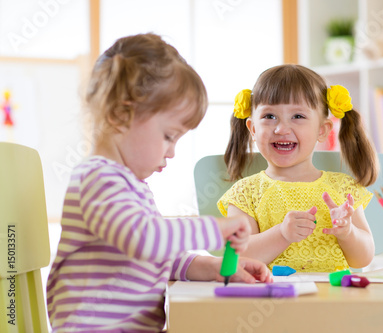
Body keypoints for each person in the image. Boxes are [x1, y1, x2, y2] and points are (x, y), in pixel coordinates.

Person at [46, 33, 271, 332]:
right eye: (168, 136)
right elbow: (144, 240)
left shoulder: (131, 186)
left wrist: (212, 267)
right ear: (119, 115)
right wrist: (214, 229)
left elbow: (160, 255)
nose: (172, 151)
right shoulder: (97, 178)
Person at [218, 64, 379, 273]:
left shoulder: (342, 188)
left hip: (333, 300)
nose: (281, 129)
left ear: (322, 130)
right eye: (269, 116)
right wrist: (281, 234)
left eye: (298, 116)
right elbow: (238, 257)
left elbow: (363, 259)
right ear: (253, 129)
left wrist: (347, 232)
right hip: (270, 297)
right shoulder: (245, 193)